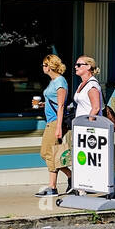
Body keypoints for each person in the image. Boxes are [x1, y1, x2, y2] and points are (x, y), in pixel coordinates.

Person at [36, 55, 71, 198]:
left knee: (49, 154)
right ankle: (71, 175)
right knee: (46, 154)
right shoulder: (53, 81)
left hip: (56, 121)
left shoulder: (60, 82)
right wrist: (43, 104)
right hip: (50, 121)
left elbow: (61, 105)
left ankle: (52, 187)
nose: (43, 67)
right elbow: (55, 101)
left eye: (44, 65)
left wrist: (58, 127)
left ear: (49, 66)